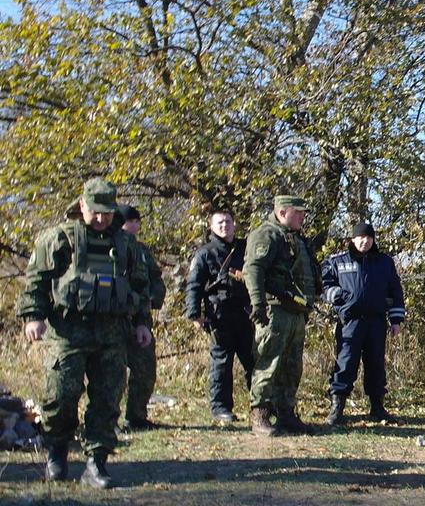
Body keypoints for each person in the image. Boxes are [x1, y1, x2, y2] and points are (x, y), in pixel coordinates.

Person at [19, 178, 152, 488]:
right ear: (82, 206)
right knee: (61, 394)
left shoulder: (126, 245)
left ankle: (97, 462)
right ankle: (57, 452)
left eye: (107, 212)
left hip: (112, 331)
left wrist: (142, 323)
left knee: (107, 398)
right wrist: (33, 316)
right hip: (69, 330)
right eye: (95, 212)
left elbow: (139, 286)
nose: (102, 218)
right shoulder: (59, 239)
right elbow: (37, 279)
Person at [243, 195, 321, 436]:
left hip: (297, 312)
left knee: (292, 365)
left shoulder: (296, 238)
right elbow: (254, 269)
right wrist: (257, 303)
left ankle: (286, 413)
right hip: (275, 310)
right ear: (282, 212)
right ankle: (260, 415)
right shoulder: (267, 235)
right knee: (269, 362)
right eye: (298, 212)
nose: (302, 216)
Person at [321, 221, 407, 425]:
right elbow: (324, 285)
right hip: (350, 321)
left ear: (373, 239)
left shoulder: (384, 262)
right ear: (352, 238)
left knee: (376, 364)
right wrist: (338, 296)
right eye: (360, 237)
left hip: (376, 322)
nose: (365, 241)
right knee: (345, 363)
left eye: (369, 237)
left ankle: (377, 408)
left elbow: (395, 291)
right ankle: (337, 409)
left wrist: (396, 320)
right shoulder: (338, 261)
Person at [185, 209, 254, 423]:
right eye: (220, 223)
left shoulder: (246, 248)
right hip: (219, 316)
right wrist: (195, 314)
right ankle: (220, 407)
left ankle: (261, 405)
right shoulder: (205, 253)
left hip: (245, 314)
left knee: (254, 361)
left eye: (228, 222)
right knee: (221, 364)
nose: (224, 226)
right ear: (211, 227)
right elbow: (194, 285)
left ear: (234, 224)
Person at [119, 205, 167, 430]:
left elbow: (155, 278)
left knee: (145, 370)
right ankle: (107, 421)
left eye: (137, 221)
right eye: (131, 220)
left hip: (140, 319)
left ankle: (136, 416)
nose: (135, 225)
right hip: (114, 319)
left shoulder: (142, 251)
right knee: (112, 376)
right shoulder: (111, 247)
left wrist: (155, 297)